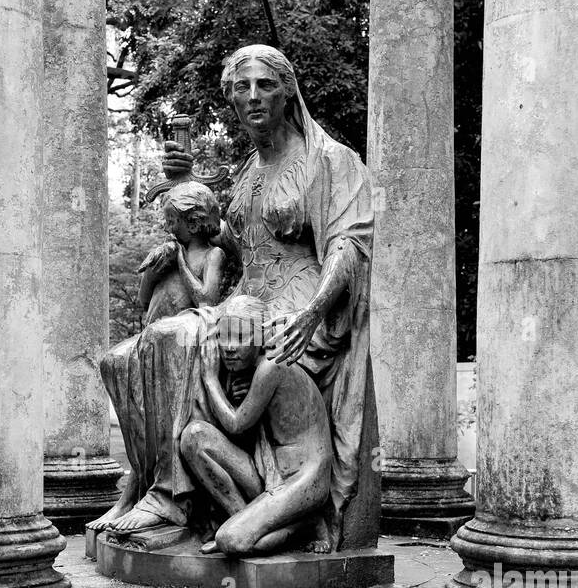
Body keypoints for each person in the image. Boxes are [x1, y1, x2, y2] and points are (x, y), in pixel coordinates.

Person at [93, 44, 377, 554]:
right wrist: (182, 187)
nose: (252, 97)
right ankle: (141, 486)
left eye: (265, 84)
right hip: (244, 305)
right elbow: (226, 238)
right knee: (119, 360)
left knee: (172, 340)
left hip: (297, 311)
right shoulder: (249, 169)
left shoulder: (329, 159)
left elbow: (350, 247)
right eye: (241, 88)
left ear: (289, 89)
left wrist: (311, 314)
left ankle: (172, 502)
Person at [181, 296, 334, 555]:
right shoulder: (254, 373)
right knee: (193, 437)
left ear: (262, 338)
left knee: (232, 541)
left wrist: (210, 380)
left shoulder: (272, 367)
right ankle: (245, 519)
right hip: (270, 472)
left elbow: (236, 425)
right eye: (223, 337)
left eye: (240, 337)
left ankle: (303, 523)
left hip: (301, 481)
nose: (228, 347)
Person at [137, 181, 227, 324]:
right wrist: (151, 273)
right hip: (152, 333)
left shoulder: (213, 254)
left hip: (182, 335)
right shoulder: (167, 255)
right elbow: (144, 302)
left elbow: (207, 302)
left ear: (193, 224)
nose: (167, 228)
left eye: (171, 222)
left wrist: (181, 261)